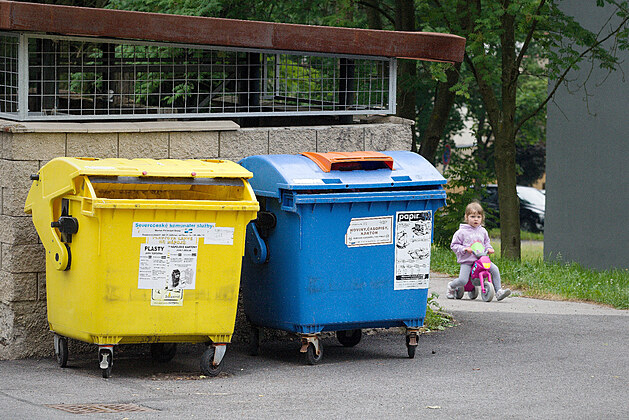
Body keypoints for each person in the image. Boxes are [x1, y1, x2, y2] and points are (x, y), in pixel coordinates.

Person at [447, 202, 511, 301]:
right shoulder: (461, 232)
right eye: (472, 216)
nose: (476, 219)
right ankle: (451, 286)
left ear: (482, 218)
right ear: (466, 217)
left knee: (494, 269)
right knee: (463, 280)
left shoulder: (483, 231)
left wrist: (489, 249)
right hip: (467, 261)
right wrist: (464, 249)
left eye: (478, 216)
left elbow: (486, 243)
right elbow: (454, 245)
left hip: (481, 259)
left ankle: (498, 291)